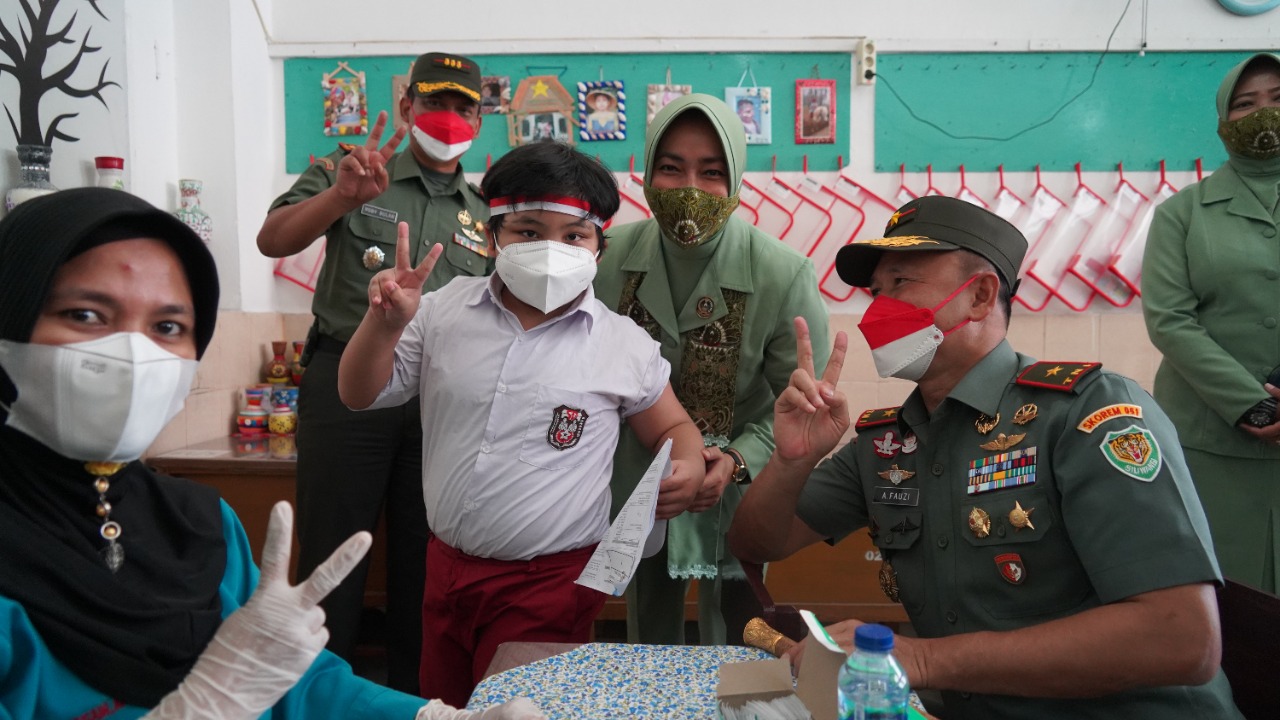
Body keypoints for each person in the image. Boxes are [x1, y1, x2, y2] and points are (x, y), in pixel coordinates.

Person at [0, 188, 543, 720]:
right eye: (86, 316)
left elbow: (300, 685)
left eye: (167, 327)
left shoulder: (200, 524)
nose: (133, 354)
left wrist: (433, 717)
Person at [728, 195, 1243, 719]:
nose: (878, 310)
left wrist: (922, 661)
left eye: (902, 283)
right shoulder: (887, 443)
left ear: (978, 295)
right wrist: (791, 461)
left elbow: (1182, 638)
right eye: (876, 292)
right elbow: (755, 541)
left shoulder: (1088, 414)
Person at [337, 142, 707, 707]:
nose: (552, 250)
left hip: (550, 585)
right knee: (447, 708)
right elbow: (357, 393)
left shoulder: (622, 344)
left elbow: (673, 427)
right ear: (493, 238)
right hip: (445, 572)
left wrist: (685, 462)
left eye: (574, 235)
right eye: (528, 232)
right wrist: (383, 327)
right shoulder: (439, 313)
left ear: (599, 248)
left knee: (522, 713)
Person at [257, 52, 491, 691]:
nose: (447, 117)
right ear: (409, 104)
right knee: (333, 555)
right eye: (435, 102)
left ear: (481, 115)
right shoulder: (356, 168)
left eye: (463, 106)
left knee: (429, 564)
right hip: (345, 387)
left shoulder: (486, 210)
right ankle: (310, 694)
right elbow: (272, 240)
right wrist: (340, 195)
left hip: (441, 399)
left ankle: (417, 700)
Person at [593, 93, 830, 647]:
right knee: (646, 632)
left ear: (737, 178)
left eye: (712, 172)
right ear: (647, 172)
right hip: (636, 480)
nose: (690, 189)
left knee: (739, 633)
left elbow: (801, 407)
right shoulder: (605, 258)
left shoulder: (783, 274)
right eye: (671, 169)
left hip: (736, 487)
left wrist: (738, 459)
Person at [1142, 52, 1280, 594]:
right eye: (1245, 104)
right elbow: (1169, 319)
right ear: (1224, 121)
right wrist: (1253, 403)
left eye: (1276, 98)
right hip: (1209, 439)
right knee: (1225, 600)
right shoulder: (1184, 212)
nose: (1262, 113)